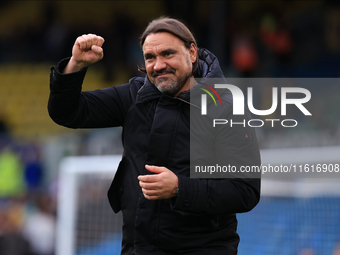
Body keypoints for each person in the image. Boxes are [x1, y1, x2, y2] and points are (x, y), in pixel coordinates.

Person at [48, 17, 261, 255]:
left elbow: (245, 191)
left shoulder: (226, 107)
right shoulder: (133, 96)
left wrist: (180, 188)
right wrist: (76, 64)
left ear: (192, 53)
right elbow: (66, 113)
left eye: (168, 54)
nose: (158, 65)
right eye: (150, 57)